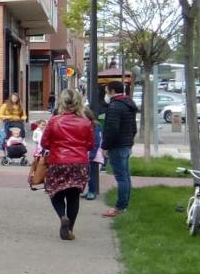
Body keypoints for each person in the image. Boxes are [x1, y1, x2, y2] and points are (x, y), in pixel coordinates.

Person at [39, 89, 96, 240]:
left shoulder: (54, 121)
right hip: (79, 163)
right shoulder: (86, 122)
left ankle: (62, 216)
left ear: (62, 102)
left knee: (55, 191)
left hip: (58, 161)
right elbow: (90, 145)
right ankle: (69, 229)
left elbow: (44, 143)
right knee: (73, 196)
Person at [101, 81, 138, 217]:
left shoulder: (115, 106)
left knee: (121, 177)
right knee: (125, 176)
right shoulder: (128, 104)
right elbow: (133, 128)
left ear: (111, 91)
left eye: (106, 91)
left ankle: (120, 207)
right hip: (126, 144)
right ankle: (124, 204)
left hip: (117, 146)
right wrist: (130, 141)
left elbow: (112, 128)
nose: (106, 94)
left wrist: (105, 146)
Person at [84, 107, 103, 200]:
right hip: (89, 153)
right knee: (88, 174)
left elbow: (96, 142)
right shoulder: (89, 125)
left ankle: (92, 191)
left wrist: (91, 155)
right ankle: (90, 190)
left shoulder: (95, 127)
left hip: (93, 154)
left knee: (91, 174)